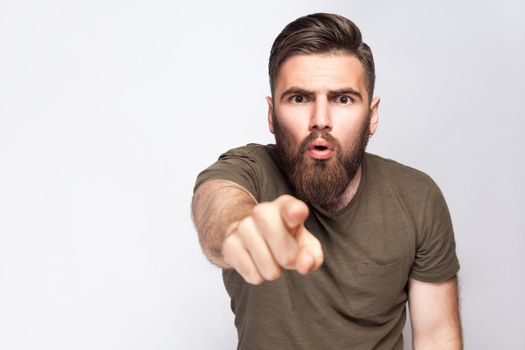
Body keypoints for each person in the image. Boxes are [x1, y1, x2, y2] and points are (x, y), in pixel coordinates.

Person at [191, 12, 462, 350]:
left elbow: (437, 337)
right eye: (300, 98)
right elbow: (217, 202)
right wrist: (238, 228)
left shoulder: (417, 197)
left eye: (343, 99)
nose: (321, 120)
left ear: (372, 115)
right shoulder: (250, 169)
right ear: (272, 115)